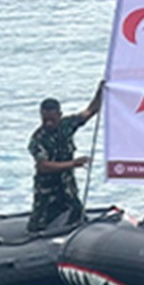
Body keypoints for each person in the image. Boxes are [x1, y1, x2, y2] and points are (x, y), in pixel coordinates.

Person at [26, 85, 104, 233]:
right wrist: (73, 164)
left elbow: (91, 111)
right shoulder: (38, 139)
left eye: (52, 120)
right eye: (45, 120)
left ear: (59, 115)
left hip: (67, 185)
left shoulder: (66, 125)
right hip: (47, 190)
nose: (48, 123)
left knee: (77, 214)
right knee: (38, 225)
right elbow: (43, 165)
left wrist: (101, 90)